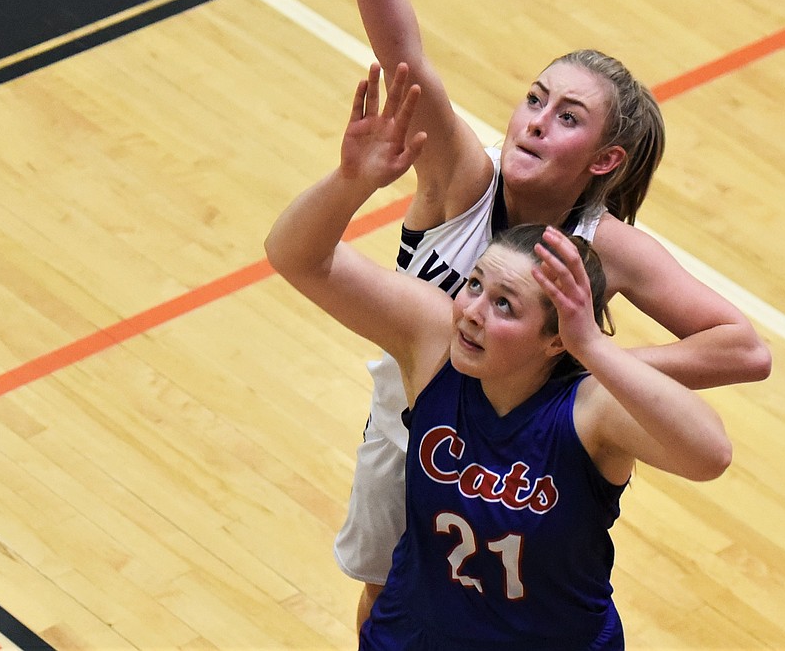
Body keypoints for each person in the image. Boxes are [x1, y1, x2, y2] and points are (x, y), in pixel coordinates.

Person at [265, 0, 771, 632]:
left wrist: (577, 369)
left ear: (604, 158)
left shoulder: (608, 245)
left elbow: (745, 349)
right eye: (535, 98)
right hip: (413, 420)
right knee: (388, 589)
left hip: (523, 441)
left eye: (567, 116)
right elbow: (407, 63)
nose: (536, 118)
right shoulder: (465, 176)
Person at [264, 63, 733, 649]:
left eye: (506, 306)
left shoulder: (590, 410)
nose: (474, 312)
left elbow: (710, 454)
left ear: (556, 337)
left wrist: (595, 350)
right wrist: (350, 182)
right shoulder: (435, 341)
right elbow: (296, 255)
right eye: (475, 285)